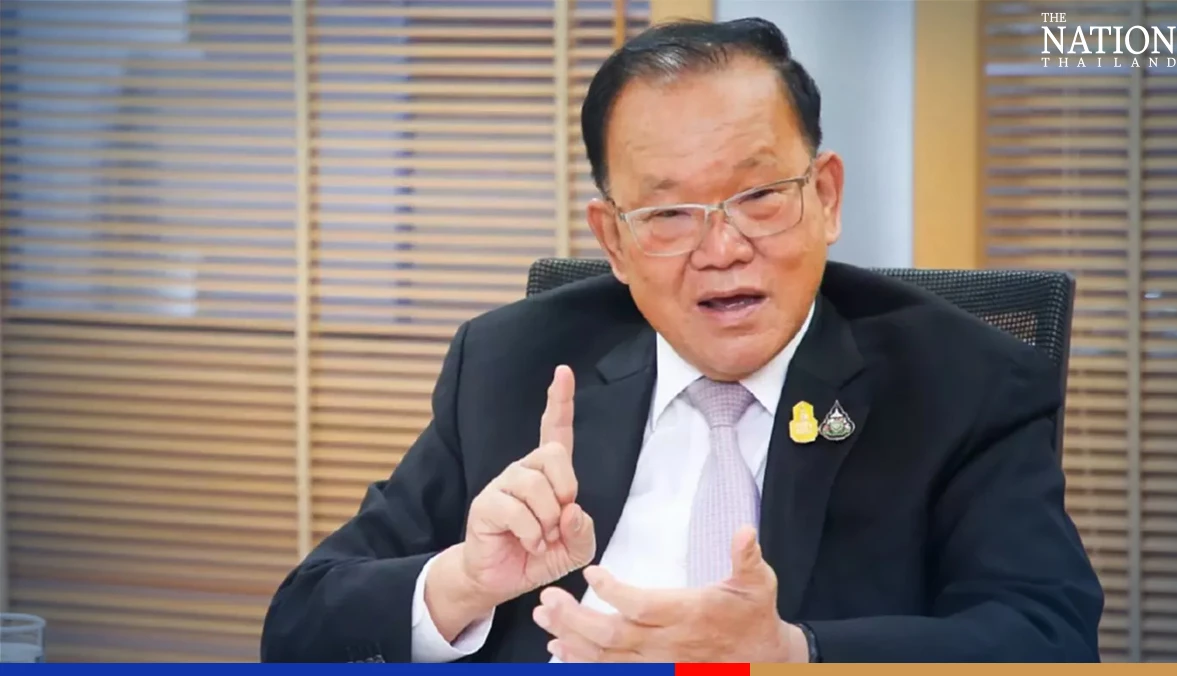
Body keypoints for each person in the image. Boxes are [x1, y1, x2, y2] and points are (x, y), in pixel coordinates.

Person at [260, 17, 1103, 663]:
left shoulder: (965, 383)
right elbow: (300, 624)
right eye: (668, 212)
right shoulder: (511, 366)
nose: (722, 248)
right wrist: (461, 584)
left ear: (826, 197)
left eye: (759, 196)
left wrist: (795, 656)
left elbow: (1047, 638)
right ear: (614, 240)